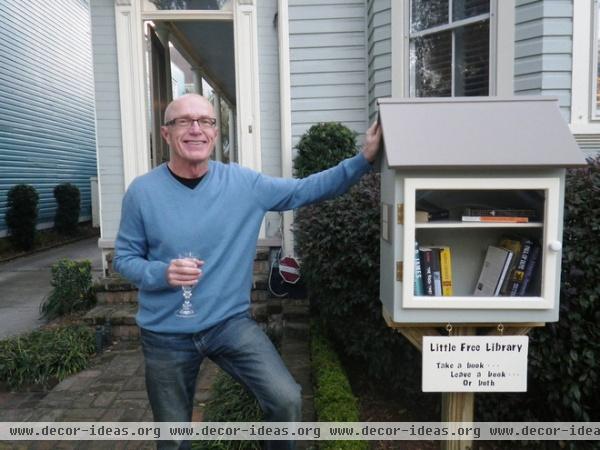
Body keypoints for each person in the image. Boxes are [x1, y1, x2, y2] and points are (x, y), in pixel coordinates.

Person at [113, 93, 382, 450]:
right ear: (166, 134)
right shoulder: (142, 192)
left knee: (286, 399)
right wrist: (161, 273)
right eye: (184, 121)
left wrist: (363, 159)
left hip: (228, 323)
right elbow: (124, 258)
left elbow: (305, 189)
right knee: (174, 440)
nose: (196, 129)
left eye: (205, 121)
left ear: (215, 132)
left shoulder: (242, 184)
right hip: (166, 333)